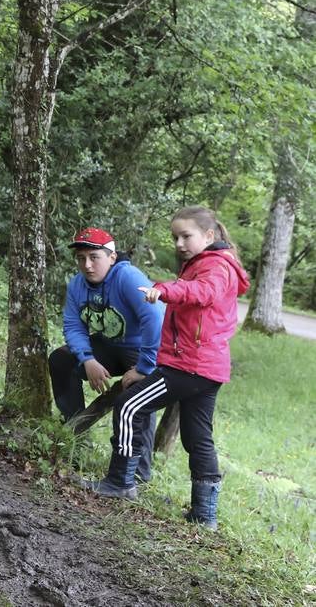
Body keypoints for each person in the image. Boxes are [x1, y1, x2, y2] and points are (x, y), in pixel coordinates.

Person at [83, 206, 250, 532]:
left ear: (209, 236)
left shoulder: (217, 266)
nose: (179, 243)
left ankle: (120, 480)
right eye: (175, 237)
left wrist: (165, 290)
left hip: (190, 366)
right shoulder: (205, 263)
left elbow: (202, 293)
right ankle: (205, 515)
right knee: (197, 436)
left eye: (186, 236)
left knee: (128, 406)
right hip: (207, 368)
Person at [49, 227, 163, 481]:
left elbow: (155, 318)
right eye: (81, 258)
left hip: (138, 348)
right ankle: (76, 437)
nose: (87, 265)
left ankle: (138, 471)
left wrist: (144, 367)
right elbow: (73, 324)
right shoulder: (78, 284)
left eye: (94, 257)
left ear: (111, 257)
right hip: (106, 346)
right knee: (61, 359)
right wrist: (87, 359)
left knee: (142, 389)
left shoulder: (128, 278)